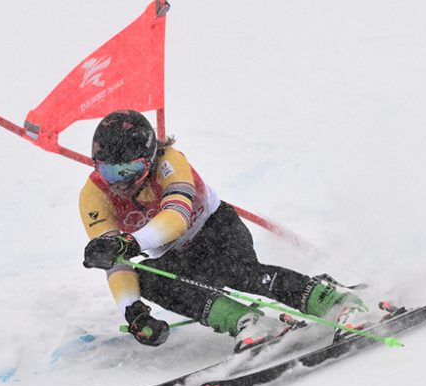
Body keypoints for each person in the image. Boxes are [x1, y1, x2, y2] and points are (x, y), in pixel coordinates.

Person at [79, 110, 368, 351]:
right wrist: (132, 310)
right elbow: (115, 260)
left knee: (234, 272)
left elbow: (176, 218)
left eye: (129, 170)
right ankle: (247, 322)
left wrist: (130, 242)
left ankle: (335, 301)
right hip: (175, 255)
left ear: (150, 157)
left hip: (215, 230)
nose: (121, 182)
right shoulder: (93, 197)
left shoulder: (170, 162)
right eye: (110, 172)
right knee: (146, 277)